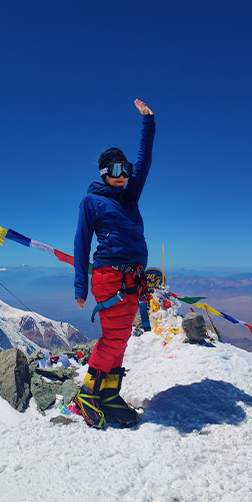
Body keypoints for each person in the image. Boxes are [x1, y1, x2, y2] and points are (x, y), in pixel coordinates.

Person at [73, 98, 155, 428]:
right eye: (118, 172)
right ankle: (88, 394)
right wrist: (80, 286)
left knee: (120, 339)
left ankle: (108, 393)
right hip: (109, 278)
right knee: (114, 339)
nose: (125, 176)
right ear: (106, 174)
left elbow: (144, 161)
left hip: (132, 278)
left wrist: (148, 124)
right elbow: (80, 245)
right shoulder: (91, 201)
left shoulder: (129, 196)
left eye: (127, 171)